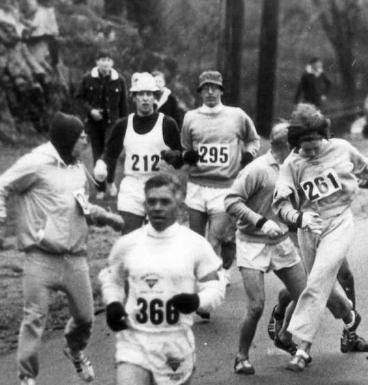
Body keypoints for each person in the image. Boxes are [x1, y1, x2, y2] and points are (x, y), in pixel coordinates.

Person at [272, 103, 368, 371]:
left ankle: (302, 348)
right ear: (296, 144)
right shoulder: (291, 165)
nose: (313, 151)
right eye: (306, 146)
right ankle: (350, 316)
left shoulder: (341, 148)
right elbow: (280, 205)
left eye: (317, 143)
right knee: (322, 283)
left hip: (339, 220)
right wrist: (299, 218)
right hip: (309, 227)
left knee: (318, 280)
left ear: (324, 136)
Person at [0, 112, 124, 385]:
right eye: (80, 134)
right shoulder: (36, 163)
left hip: (75, 257)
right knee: (33, 318)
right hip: (40, 257)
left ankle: (75, 350)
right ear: (66, 138)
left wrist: (105, 217)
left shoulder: (78, 167)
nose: (85, 138)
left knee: (85, 318)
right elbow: (2, 185)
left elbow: (81, 206)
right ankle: (26, 377)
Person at [99, 174, 226, 385]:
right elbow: (112, 279)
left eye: (165, 201)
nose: (157, 207)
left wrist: (197, 302)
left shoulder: (195, 244)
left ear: (179, 203)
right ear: (145, 204)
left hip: (174, 344)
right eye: (152, 201)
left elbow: (215, 286)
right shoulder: (128, 244)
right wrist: (113, 303)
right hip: (134, 341)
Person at [224, 123, 308, 374]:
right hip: (252, 242)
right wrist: (260, 221)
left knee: (305, 294)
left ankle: (284, 335)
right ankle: (241, 357)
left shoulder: (294, 167)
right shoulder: (257, 170)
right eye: (297, 146)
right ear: (286, 146)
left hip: (280, 241)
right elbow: (230, 201)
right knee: (256, 305)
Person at [179, 70, 260, 284]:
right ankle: (205, 278)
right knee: (197, 239)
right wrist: (188, 155)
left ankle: (219, 273)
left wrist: (249, 154)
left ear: (221, 90)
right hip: (197, 185)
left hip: (225, 186)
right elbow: (185, 148)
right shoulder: (190, 117)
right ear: (200, 92)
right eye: (206, 88)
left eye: (214, 88)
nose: (210, 92)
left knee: (219, 237)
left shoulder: (237, 115)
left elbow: (253, 139)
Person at [93, 72, 184, 234]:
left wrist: (174, 156)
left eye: (149, 94)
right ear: (134, 97)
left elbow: (180, 159)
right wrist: (102, 164)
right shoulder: (123, 124)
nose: (145, 98)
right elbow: (110, 153)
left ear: (155, 96)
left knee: (159, 239)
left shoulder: (167, 123)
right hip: (132, 186)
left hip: (158, 185)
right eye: (141, 94)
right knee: (130, 236)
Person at [76, 49, 128, 199]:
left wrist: (124, 125)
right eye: (102, 59)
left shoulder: (120, 80)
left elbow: (124, 105)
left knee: (110, 154)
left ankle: (111, 182)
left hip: (113, 123)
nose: (105, 63)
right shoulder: (88, 78)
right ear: (97, 62)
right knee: (97, 154)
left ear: (112, 63)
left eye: (108, 60)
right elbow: (79, 98)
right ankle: (100, 188)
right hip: (95, 124)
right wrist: (90, 111)